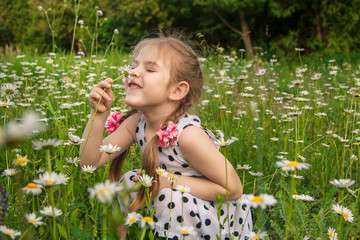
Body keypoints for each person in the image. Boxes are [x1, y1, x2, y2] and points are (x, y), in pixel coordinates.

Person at [80, 34, 252, 239]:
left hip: (216, 220)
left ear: (177, 90)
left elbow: (233, 190)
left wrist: (168, 181)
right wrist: (98, 116)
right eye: (133, 66)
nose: (133, 72)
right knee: (129, 181)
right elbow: (89, 163)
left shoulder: (188, 136)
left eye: (150, 69)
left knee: (166, 196)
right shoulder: (137, 123)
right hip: (172, 202)